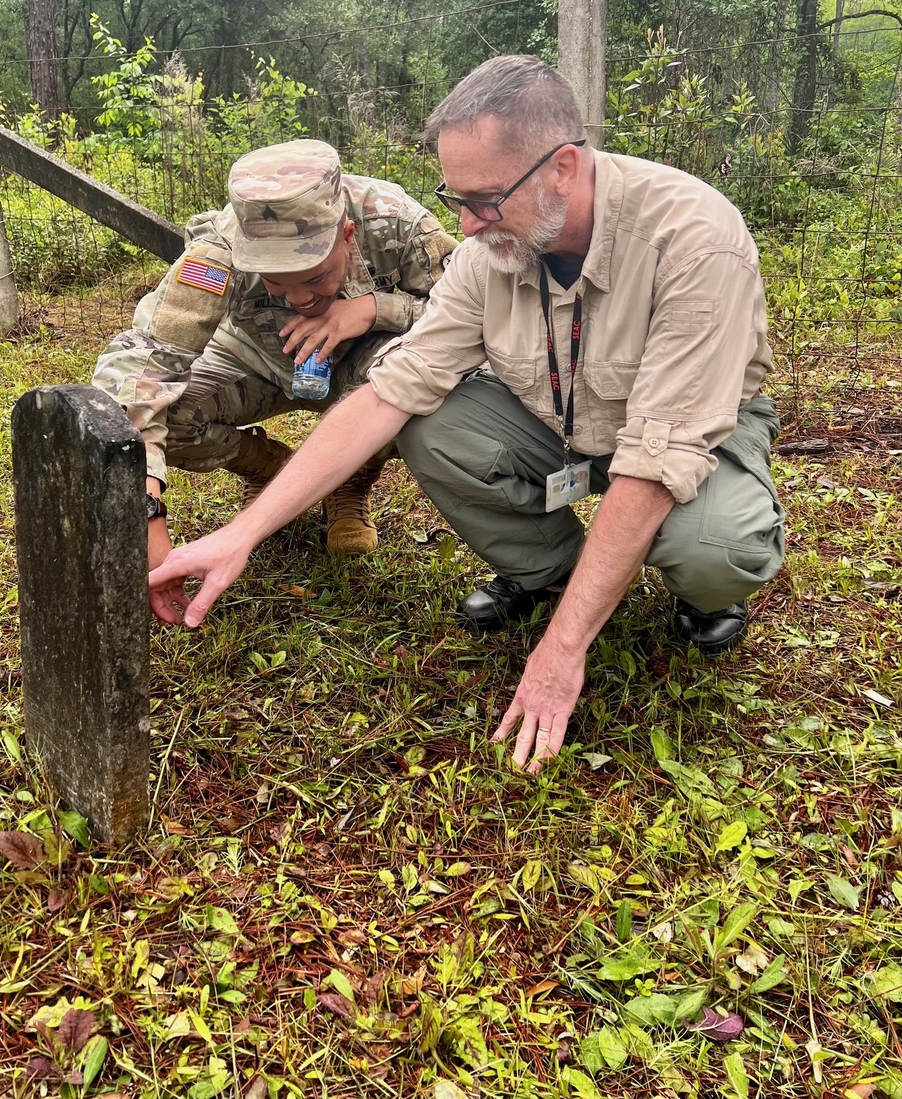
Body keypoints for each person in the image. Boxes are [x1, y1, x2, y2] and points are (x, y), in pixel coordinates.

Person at [146, 56, 785, 773]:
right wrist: (242, 534)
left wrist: (561, 652)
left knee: (716, 546)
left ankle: (698, 598)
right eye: (453, 197)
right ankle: (549, 573)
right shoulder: (493, 245)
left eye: (484, 200)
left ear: (564, 168)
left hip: (687, 442)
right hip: (560, 423)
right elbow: (393, 390)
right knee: (430, 420)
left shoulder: (694, 239)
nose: (466, 224)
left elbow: (657, 458)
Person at [91, 138, 457, 565]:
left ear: (347, 235)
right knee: (171, 416)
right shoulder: (222, 248)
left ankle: (349, 482)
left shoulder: (395, 222)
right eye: (277, 283)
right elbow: (145, 357)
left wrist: (374, 308)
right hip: (255, 359)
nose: (300, 299)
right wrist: (146, 503)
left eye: (316, 277)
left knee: (412, 383)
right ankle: (268, 468)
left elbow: (467, 313)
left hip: (362, 364)